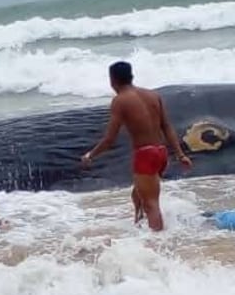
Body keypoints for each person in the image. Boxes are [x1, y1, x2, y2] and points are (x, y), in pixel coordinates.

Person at [80, 61, 191, 231]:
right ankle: (139, 225)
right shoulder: (152, 95)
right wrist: (180, 154)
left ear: (112, 80)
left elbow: (110, 139)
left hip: (145, 154)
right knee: (138, 193)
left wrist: (91, 155)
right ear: (131, 76)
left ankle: (158, 240)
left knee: (151, 204)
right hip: (161, 152)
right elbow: (167, 126)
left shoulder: (120, 101)